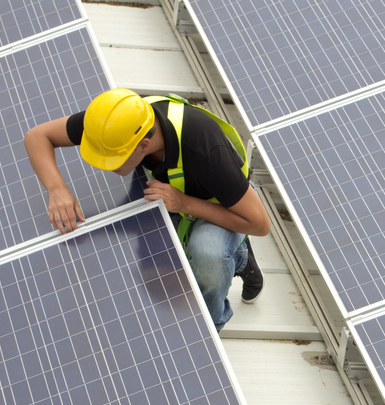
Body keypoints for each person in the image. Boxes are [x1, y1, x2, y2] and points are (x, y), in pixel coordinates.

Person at [25, 88, 270, 328]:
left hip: (223, 204)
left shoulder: (205, 150)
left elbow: (260, 223)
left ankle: (215, 314)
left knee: (207, 255)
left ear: (143, 146)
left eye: (113, 160)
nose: (107, 168)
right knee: (153, 265)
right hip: (170, 189)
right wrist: (57, 189)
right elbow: (37, 136)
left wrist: (184, 203)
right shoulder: (117, 122)